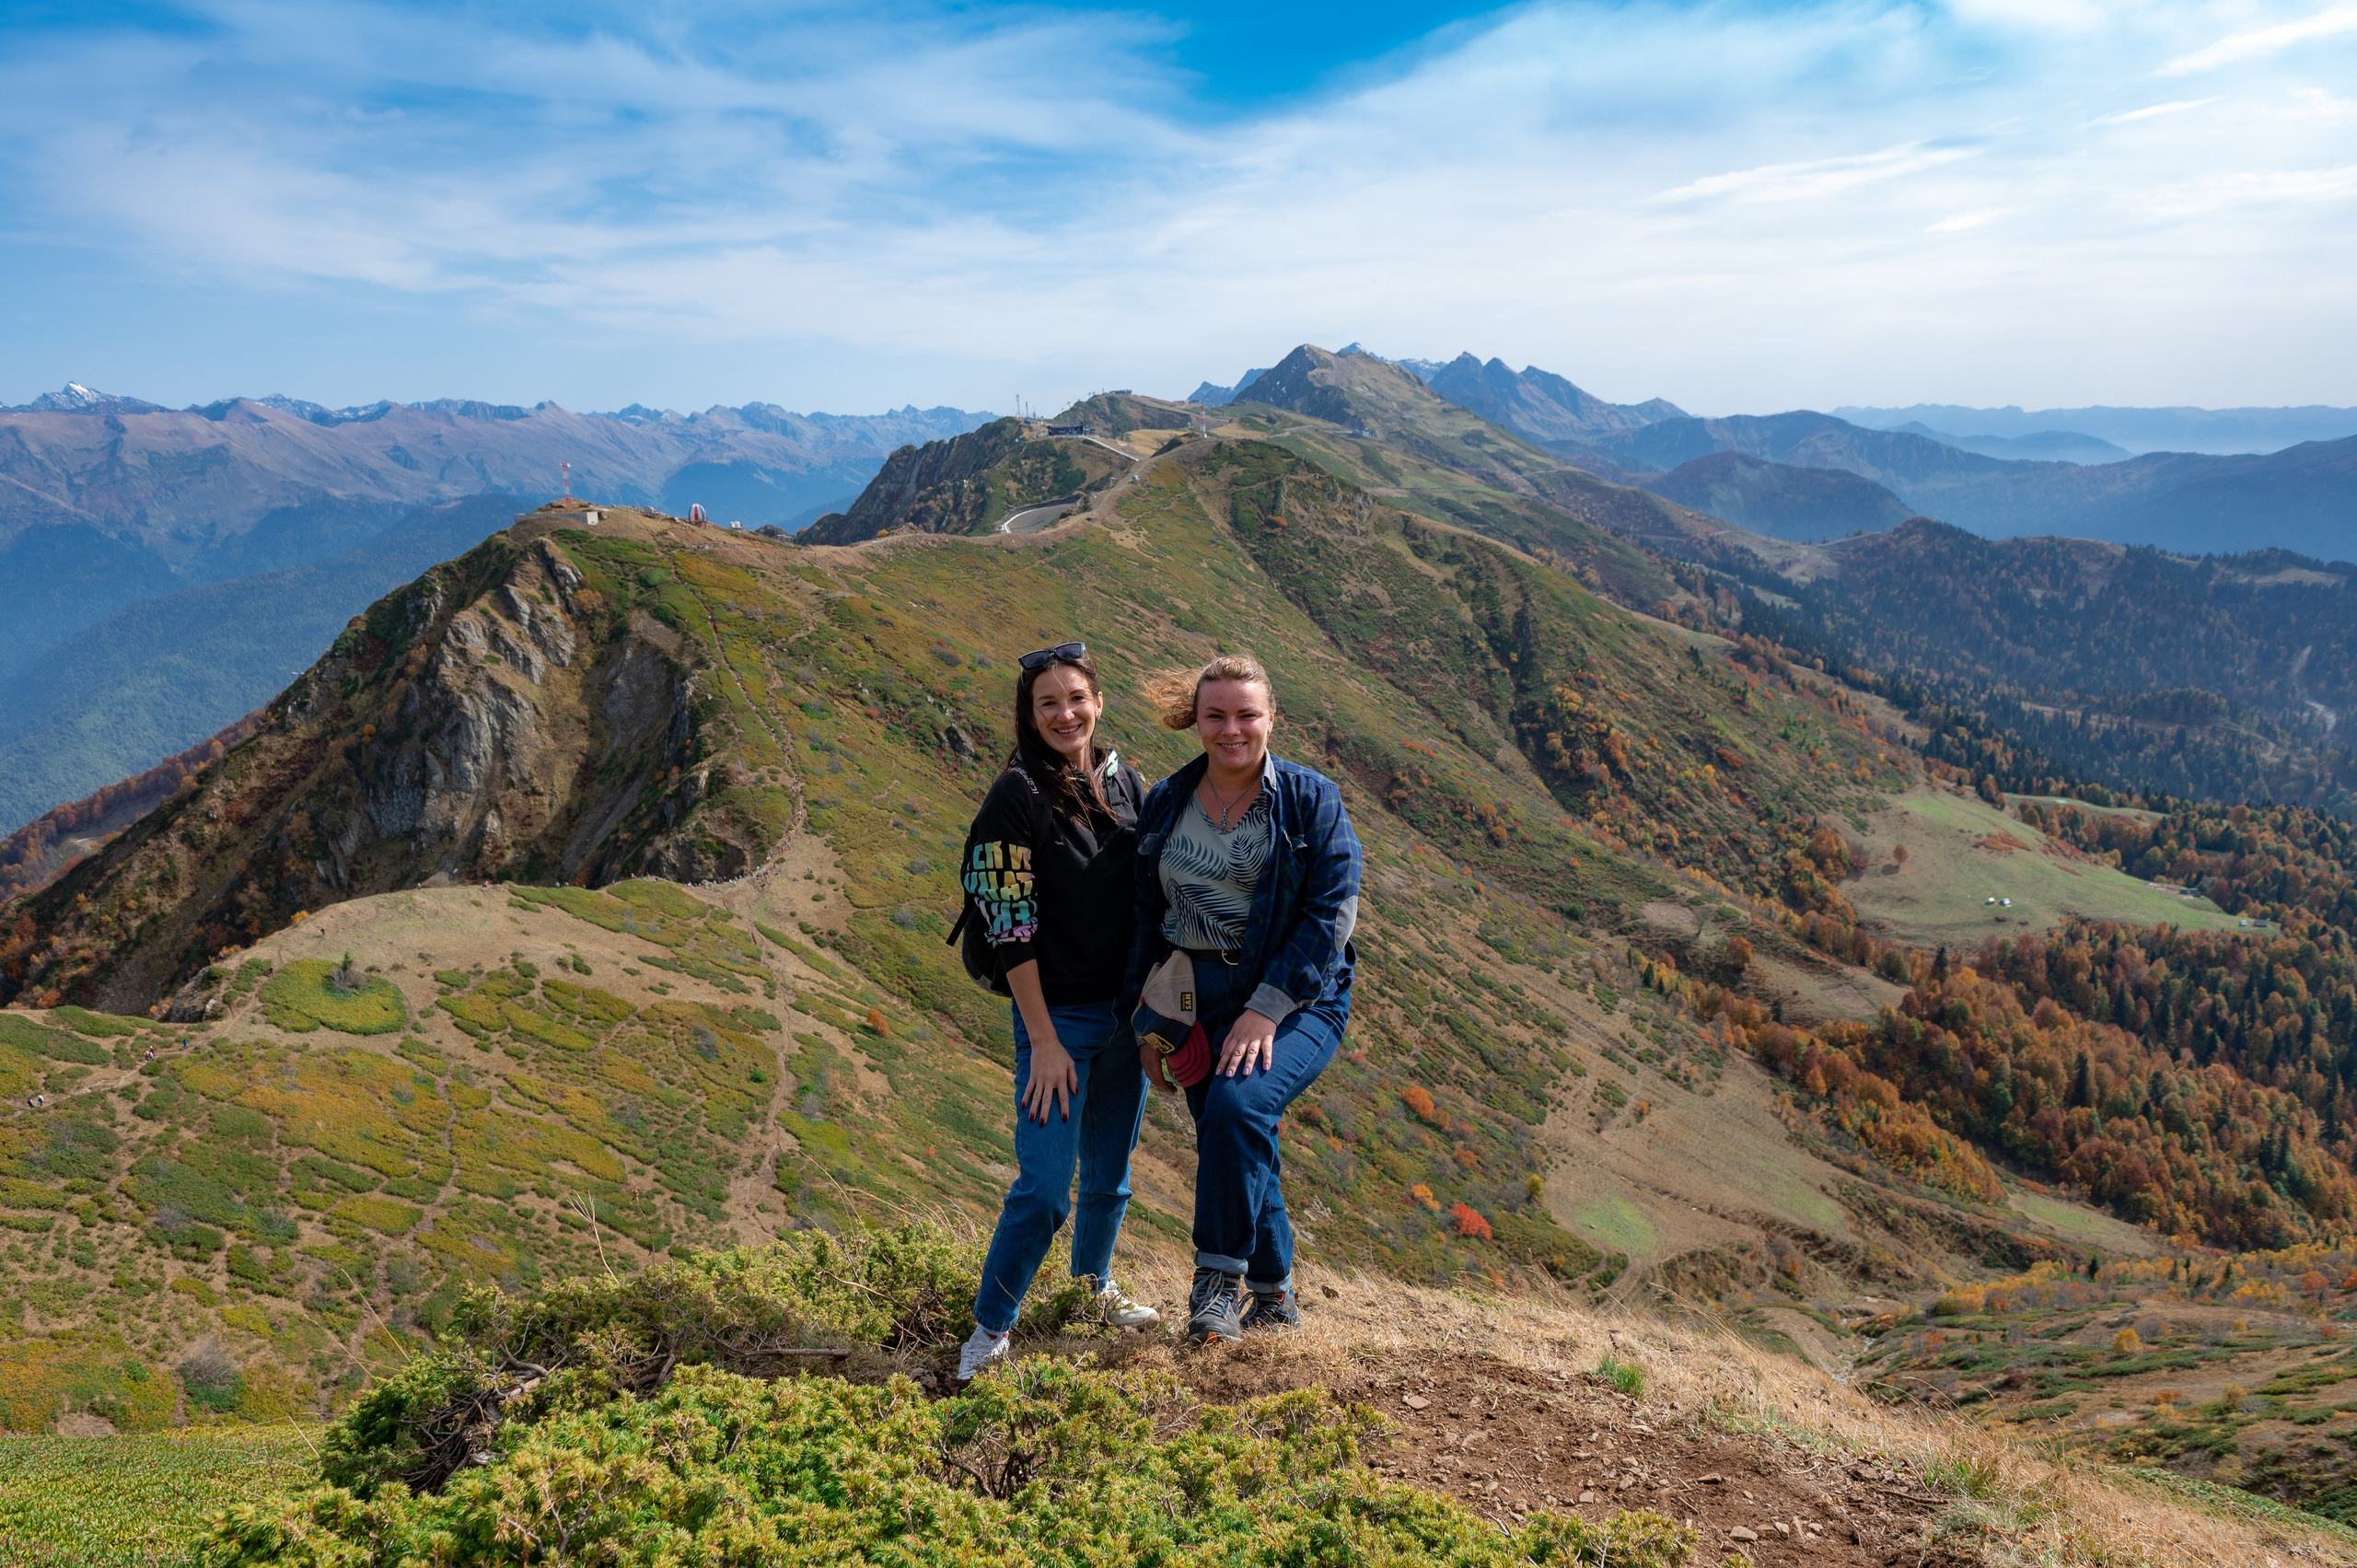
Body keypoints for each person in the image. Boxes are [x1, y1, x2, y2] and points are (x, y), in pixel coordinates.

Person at [1124, 653, 1362, 1344]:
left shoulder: (1310, 799)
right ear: (1195, 721)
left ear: (1271, 718)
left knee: (1237, 1107)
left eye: (1246, 714)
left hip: (1299, 998)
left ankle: (1215, 1284)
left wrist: (1266, 1007)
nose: (1232, 729)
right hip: (1197, 1001)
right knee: (1238, 1134)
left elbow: (1331, 915)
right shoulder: (1169, 799)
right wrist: (1146, 1026)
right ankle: (1275, 1295)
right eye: (1216, 715)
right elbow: (1146, 916)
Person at [955, 642, 1160, 1381]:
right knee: (1044, 1186)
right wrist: (1041, 1039)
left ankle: (1091, 1287)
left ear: (1098, 701)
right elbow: (1008, 925)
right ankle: (991, 1326)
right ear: (1029, 715)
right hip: (1060, 1023)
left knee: (1110, 1172)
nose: (1065, 712)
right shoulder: (1015, 794)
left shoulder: (1124, 781)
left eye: (1076, 697)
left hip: (1126, 1017)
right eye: (1048, 703)